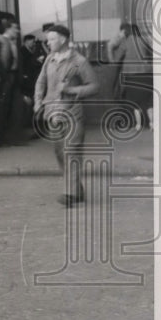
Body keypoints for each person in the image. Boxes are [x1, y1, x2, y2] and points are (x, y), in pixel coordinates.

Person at [33, 24, 99, 206]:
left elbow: (94, 86)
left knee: (72, 151)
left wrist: (71, 89)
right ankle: (76, 190)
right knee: (60, 152)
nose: (48, 42)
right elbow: (40, 82)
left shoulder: (79, 61)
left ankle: (69, 193)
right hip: (52, 112)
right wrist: (38, 101)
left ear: (62, 40)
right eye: (48, 39)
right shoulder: (49, 59)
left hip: (72, 112)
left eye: (52, 39)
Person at [108, 22, 153, 130]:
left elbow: (115, 61)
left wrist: (110, 48)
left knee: (135, 103)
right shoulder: (144, 40)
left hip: (132, 76)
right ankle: (152, 123)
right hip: (147, 75)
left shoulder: (126, 42)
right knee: (148, 102)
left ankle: (138, 125)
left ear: (125, 32)